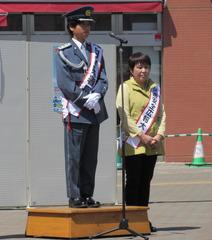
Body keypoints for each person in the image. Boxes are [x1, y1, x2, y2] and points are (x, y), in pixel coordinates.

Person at [54, 6, 108, 208]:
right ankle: (74, 195)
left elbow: (103, 79)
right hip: (77, 112)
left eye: (88, 24)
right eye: (82, 24)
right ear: (71, 27)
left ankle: (87, 194)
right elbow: (65, 84)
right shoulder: (63, 52)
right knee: (74, 157)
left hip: (94, 112)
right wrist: (86, 99)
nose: (87, 28)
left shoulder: (97, 51)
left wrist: (98, 93)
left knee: (90, 158)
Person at [116, 52, 166, 231]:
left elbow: (161, 114)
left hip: (152, 144)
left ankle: (143, 220)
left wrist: (159, 136)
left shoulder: (154, 88)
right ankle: (131, 221)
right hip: (133, 144)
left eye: (146, 66)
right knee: (133, 182)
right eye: (139, 67)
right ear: (131, 70)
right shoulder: (125, 87)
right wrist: (141, 135)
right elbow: (124, 115)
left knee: (145, 182)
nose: (143, 70)